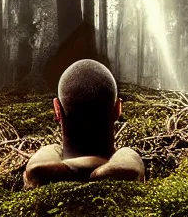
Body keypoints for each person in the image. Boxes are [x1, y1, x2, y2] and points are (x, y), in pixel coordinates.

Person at [24, 59, 145, 187]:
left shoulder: (39, 173)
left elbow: (36, 169)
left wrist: (51, 151)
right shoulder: (130, 170)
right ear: (118, 109)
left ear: (57, 110)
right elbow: (128, 170)